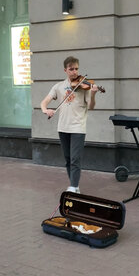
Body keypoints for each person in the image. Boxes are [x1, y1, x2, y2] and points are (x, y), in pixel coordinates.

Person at [40, 56, 99, 193]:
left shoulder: (84, 86)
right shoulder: (58, 86)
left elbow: (91, 106)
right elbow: (44, 102)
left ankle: (73, 186)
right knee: (67, 159)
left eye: (76, 69)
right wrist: (46, 110)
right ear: (65, 70)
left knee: (75, 159)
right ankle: (75, 186)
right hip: (63, 127)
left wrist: (94, 94)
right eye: (71, 69)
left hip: (78, 127)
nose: (74, 72)